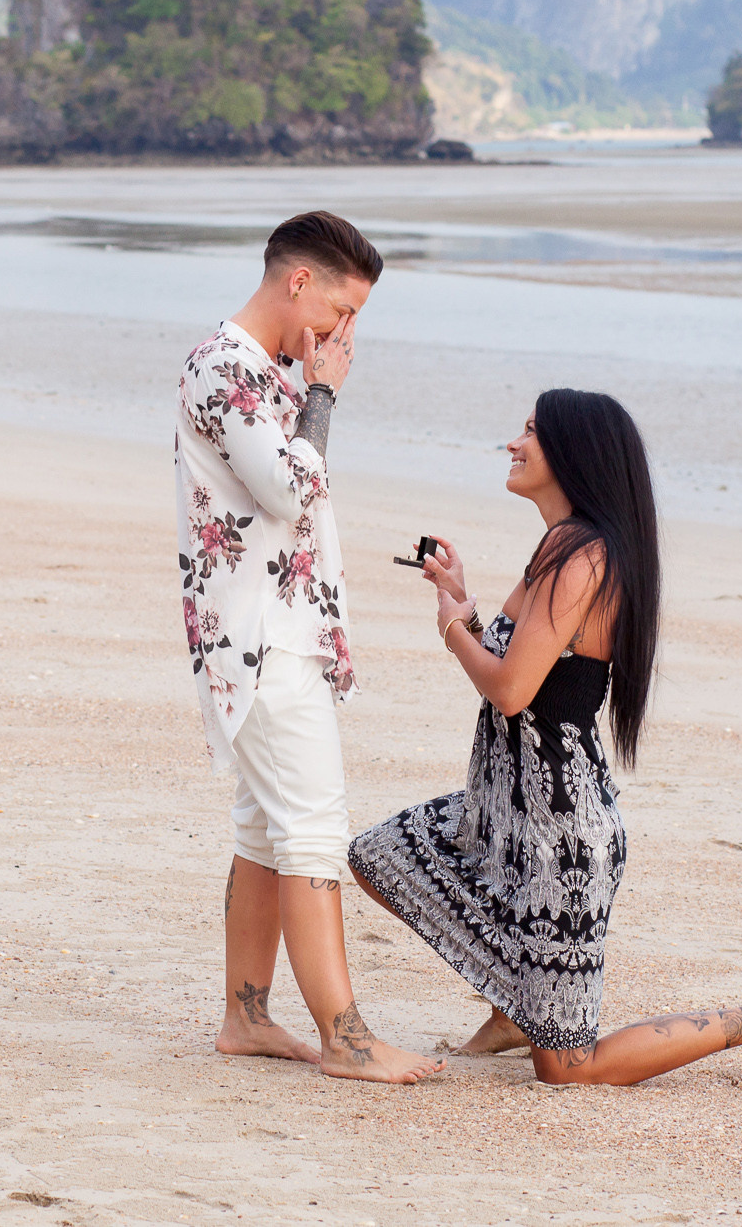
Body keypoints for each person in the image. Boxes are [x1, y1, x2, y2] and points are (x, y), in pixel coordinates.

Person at [348, 389, 742, 1087]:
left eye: (531, 432)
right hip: (503, 816)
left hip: (560, 841)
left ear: (573, 452)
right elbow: (514, 662)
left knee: (568, 1068)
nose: (513, 443)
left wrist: (449, 633)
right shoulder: (560, 548)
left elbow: (510, 689)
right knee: (381, 856)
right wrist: (461, 602)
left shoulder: (582, 558)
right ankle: (519, 1003)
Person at [175, 210, 442, 1085]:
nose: (343, 334)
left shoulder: (259, 369)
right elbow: (290, 491)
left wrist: (310, 387)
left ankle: (246, 1016)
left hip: (276, 630)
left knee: (264, 828)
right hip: (262, 639)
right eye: (342, 311)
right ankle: (346, 1039)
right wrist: (324, 393)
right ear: (299, 283)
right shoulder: (226, 367)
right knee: (313, 830)